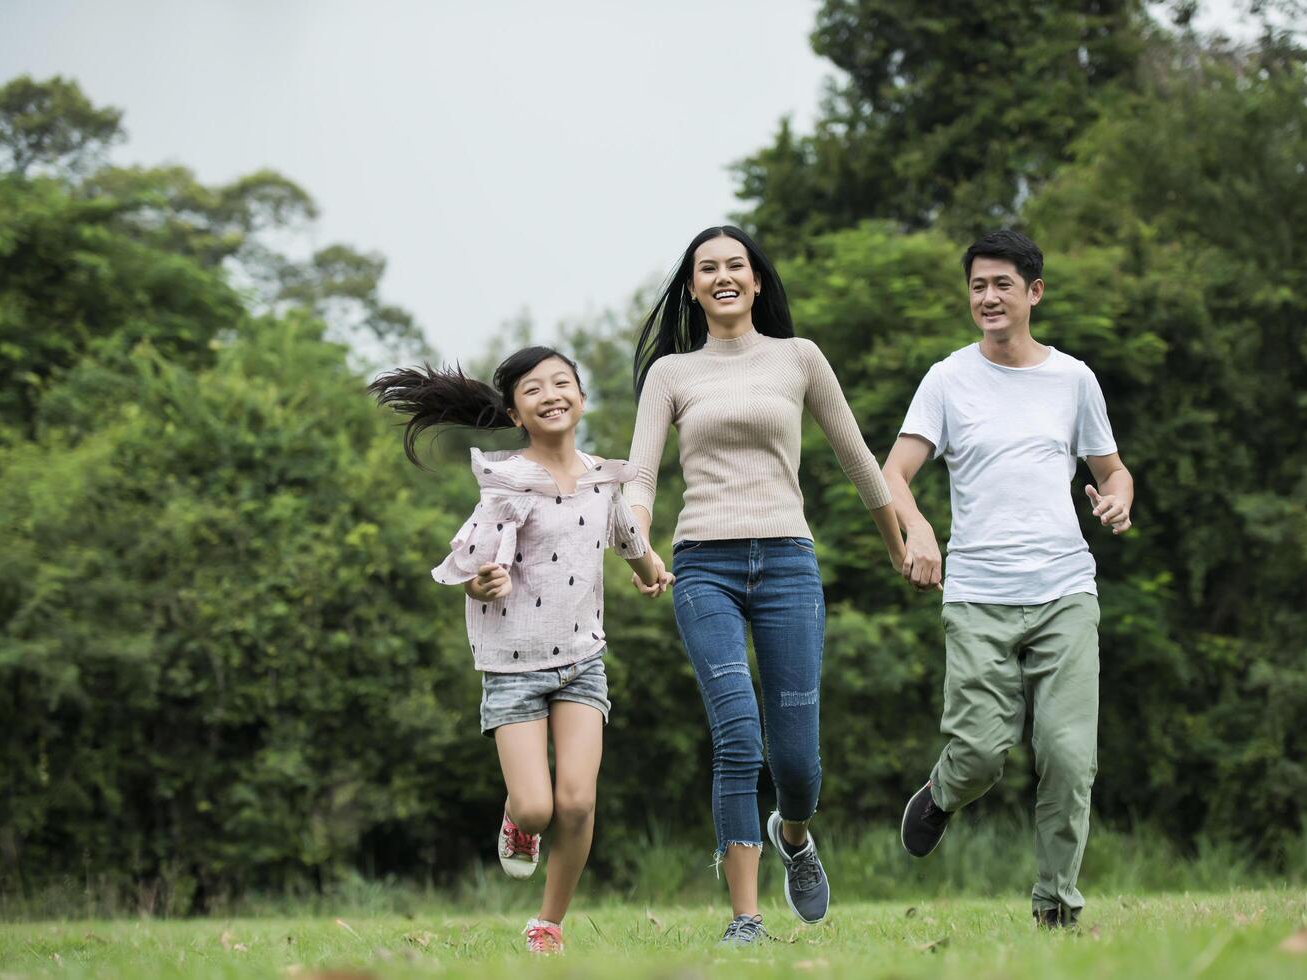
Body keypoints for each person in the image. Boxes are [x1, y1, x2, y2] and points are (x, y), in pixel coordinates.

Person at [625, 225, 907, 946]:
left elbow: (857, 459)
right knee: (737, 739)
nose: (722, 276)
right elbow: (640, 477)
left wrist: (896, 547)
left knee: (796, 766)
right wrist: (636, 544)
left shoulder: (798, 358)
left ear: (755, 282)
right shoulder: (671, 374)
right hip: (702, 568)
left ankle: (795, 833)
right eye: (706, 268)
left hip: (786, 562)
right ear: (692, 288)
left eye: (735, 266)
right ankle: (745, 919)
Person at [369, 347, 669, 954]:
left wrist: (650, 569)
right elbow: (477, 560)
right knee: (537, 809)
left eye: (563, 383)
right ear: (515, 412)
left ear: (582, 399)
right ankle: (518, 819)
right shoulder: (507, 482)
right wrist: (484, 580)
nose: (552, 394)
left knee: (578, 800)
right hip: (513, 666)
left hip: (583, 660)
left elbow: (626, 532)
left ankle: (548, 923)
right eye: (534, 389)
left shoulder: (602, 477)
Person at [883, 229, 1134, 929]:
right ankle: (940, 793)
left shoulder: (1072, 379)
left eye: (1000, 284)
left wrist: (1117, 497)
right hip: (978, 596)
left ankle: (1055, 905)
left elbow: (1110, 468)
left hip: (1063, 590)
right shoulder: (947, 379)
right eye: (976, 286)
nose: (987, 297)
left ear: (1033, 292)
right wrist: (919, 528)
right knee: (982, 753)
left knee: (1066, 755)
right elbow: (892, 473)